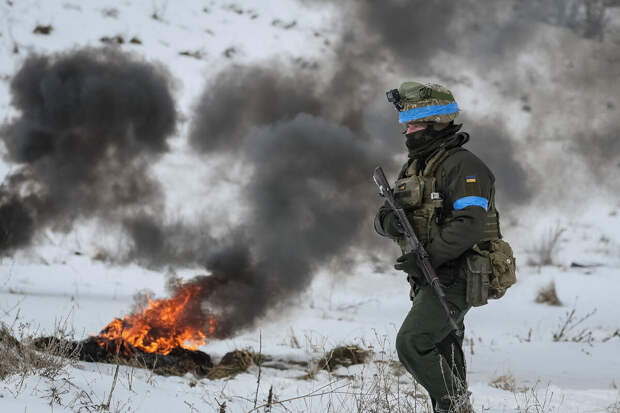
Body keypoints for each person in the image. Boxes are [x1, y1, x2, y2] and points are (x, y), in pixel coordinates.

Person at [374, 82, 503, 413]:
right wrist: (392, 222)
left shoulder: (464, 166)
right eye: (406, 125)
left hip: (458, 274)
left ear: (435, 123)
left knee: (413, 342)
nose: (407, 131)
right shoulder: (415, 166)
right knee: (444, 348)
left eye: (413, 125)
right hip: (429, 275)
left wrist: (427, 258)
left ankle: (455, 405)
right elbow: (383, 218)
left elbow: (469, 223)